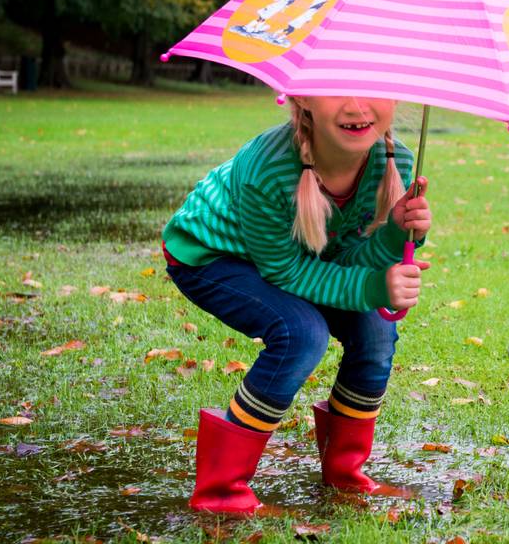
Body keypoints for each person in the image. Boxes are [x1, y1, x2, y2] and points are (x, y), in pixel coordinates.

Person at [161, 95, 431, 516]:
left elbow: (344, 259)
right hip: (214, 256)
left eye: (371, 87)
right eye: (338, 88)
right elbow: (288, 273)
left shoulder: (394, 162)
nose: (356, 106)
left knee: (376, 332)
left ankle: (345, 476)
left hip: (303, 259)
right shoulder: (267, 167)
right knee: (301, 334)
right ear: (304, 98)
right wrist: (378, 287)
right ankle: (222, 494)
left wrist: (397, 235)